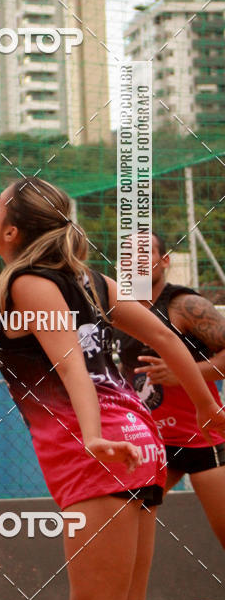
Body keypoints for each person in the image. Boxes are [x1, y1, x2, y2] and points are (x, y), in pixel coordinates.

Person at [0, 178, 225, 600]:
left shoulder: (30, 282)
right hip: (135, 439)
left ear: (12, 232)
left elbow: (70, 368)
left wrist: (94, 436)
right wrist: (207, 407)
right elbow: (161, 335)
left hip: (100, 450)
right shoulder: (88, 279)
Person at [113, 230, 225, 547]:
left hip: (204, 438)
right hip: (155, 441)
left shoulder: (184, 305)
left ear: (164, 261)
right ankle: (130, 599)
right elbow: (128, 371)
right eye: (128, 254)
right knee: (126, 517)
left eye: (144, 253)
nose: (135, 260)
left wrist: (184, 373)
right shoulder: (119, 307)